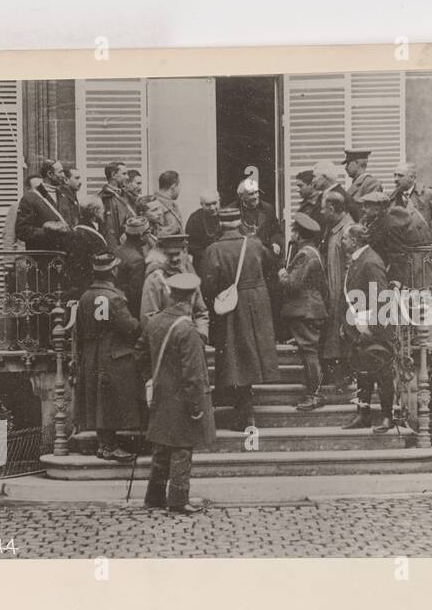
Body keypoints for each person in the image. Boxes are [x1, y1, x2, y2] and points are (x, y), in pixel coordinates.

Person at [135, 273, 215, 514]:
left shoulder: (155, 322)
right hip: (182, 399)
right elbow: (192, 373)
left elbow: (139, 354)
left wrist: (152, 379)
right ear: (190, 298)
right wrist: (196, 406)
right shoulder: (187, 330)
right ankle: (179, 500)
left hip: (161, 394)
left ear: (171, 296)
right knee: (182, 448)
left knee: (162, 446)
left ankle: (154, 497)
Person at [200, 206, 280, 431]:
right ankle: (244, 408)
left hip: (231, 306)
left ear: (220, 225)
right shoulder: (254, 244)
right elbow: (272, 266)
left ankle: (245, 413)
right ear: (240, 223)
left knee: (236, 354)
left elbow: (208, 284)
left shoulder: (213, 249)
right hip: (257, 303)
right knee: (251, 352)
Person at [73, 252, 144, 461]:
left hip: (91, 353)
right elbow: (130, 326)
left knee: (98, 399)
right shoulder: (114, 297)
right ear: (113, 271)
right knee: (111, 400)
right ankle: (109, 446)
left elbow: (79, 328)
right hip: (113, 354)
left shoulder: (85, 297)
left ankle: (105, 444)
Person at [340, 224, 397, 433]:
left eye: (345, 238)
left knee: (382, 375)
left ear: (355, 241)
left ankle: (387, 418)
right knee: (362, 373)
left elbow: (381, 297)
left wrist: (372, 329)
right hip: (359, 327)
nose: (342, 242)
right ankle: (363, 415)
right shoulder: (359, 259)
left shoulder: (371, 261)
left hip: (373, 330)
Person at [279, 213, 332, 411]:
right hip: (312, 308)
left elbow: (293, 284)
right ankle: (313, 393)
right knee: (309, 351)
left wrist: (282, 275)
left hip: (304, 311)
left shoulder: (304, 254)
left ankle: (315, 395)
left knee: (309, 352)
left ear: (299, 233)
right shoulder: (313, 252)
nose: (291, 234)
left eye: (293, 230)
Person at [237, 177, 285, 338]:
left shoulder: (267, 209)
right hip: (245, 264)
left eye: (257, 192)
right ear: (241, 196)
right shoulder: (234, 212)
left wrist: (276, 242)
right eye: (251, 194)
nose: (256, 197)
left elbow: (277, 230)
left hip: (267, 262)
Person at [141, 228, 209, 339]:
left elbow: (201, 312)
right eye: (169, 255)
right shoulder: (155, 279)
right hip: (168, 342)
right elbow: (149, 318)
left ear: (184, 251)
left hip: (191, 341)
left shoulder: (189, 276)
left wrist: (201, 336)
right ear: (163, 254)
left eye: (177, 254)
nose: (174, 259)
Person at [319, 191, 356, 393]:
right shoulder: (334, 229)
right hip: (333, 294)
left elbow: (352, 265)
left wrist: (346, 295)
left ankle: (345, 380)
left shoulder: (347, 230)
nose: (322, 212)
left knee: (343, 336)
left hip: (343, 294)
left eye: (324, 209)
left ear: (332, 209)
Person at [390, 161, 432, 247]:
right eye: (395, 175)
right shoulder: (392, 198)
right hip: (400, 249)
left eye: (400, 176)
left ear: (412, 178)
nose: (395, 179)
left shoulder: (427, 194)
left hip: (422, 250)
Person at [14, 158, 74, 248]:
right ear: (50, 174)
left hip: (65, 255)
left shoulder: (65, 196)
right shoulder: (30, 198)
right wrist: (48, 231)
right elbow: (22, 231)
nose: (63, 175)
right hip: (44, 256)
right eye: (60, 172)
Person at [62, 200, 110, 298]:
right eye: (101, 210)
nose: (103, 212)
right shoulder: (88, 233)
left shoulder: (79, 229)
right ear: (95, 212)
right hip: (87, 284)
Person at [113, 215, 151, 316]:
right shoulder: (137, 260)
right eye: (148, 232)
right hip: (130, 309)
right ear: (142, 236)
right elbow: (136, 294)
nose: (150, 235)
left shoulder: (117, 250)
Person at [98, 161, 134, 247]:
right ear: (113, 175)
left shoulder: (126, 195)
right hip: (117, 247)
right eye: (124, 174)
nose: (127, 177)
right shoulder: (104, 198)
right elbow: (109, 229)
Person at [185, 189, 223, 271]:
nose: (212, 208)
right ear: (201, 205)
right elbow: (190, 245)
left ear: (219, 201)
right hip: (202, 263)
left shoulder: (226, 216)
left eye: (214, 203)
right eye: (208, 205)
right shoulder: (195, 218)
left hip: (223, 261)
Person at [342, 148, 382, 217]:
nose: (345, 167)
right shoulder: (357, 183)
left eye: (348, 163)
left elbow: (371, 214)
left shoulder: (371, 183)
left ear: (357, 163)